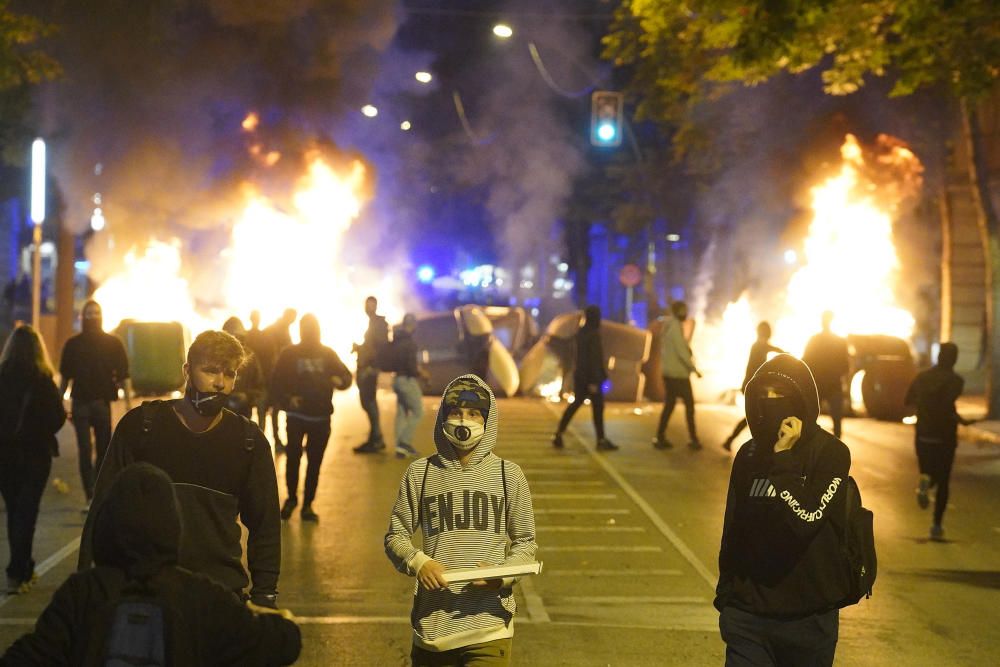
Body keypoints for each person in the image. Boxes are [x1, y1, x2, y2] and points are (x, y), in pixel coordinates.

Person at [2, 463, 301, 666]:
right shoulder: (200, 595)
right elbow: (283, 643)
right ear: (171, 526)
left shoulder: (83, 593)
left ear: (108, 524)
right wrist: (277, 616)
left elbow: (29, 657)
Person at [79, 330, 282, 609]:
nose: (220, 383)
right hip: (146, 598)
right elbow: (102, 510)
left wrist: (265, 597)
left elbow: (265, 527)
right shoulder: (142, 428)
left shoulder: (248, 442)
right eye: (210, 371)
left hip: (218, 598)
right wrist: (89, 588)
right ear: (187, 370)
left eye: (230, 373)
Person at [385, 374, 537, 665]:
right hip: (433, 628)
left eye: (473, 414)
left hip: (489, 629)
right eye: (455, 412)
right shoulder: (421, 473)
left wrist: (502, 575)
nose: (464, 421)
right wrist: (419, 562)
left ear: (487, 421)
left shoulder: (509, 475)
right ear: (443, 416)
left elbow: (526, 544)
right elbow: (395, 536)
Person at [715, 354, 851, 666]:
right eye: (763, 395)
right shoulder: (749, 454)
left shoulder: (830, 454)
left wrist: (784, 461)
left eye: (780, 394)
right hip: (750, 618)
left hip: (809, 621)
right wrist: (728, 598)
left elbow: (806, 519)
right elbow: (733, 528)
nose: (771, 402)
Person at [0, 325, 66, 594]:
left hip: (4, 454)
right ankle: (19, 570)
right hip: (35, 454)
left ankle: (21, 567)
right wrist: (39, 431)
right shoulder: (43, 380)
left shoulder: (1, 377)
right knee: (27, 513)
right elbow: (58, 417)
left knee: (14, 510)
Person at [270, 314, 352, 521]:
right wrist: (288, 400)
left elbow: (347, 378)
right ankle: (292, 500)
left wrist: (339, 381)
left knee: (311, 462)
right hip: (298, 417)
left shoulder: (326, 354)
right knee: (295, 460)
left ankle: (305, 504)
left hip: (320, 418)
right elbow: (276, 383)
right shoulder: (289, 354)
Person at [58, 299, 131, 509]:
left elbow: (124, 374)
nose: (92, 317)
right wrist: (59, 404)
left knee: (101, 450)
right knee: (89, 449)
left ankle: (94, 495)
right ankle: (92, 495)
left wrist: (127, 403)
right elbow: (65, 377)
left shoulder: (106, 343)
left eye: (95, 313)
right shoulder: (104, 343)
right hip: (84, 403)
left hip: (96, 403)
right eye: (89, 313)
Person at [903, 342, 973, 541]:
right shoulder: (957, 381)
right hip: (945, 436)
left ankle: (925, 480)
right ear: (955, 359)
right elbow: (947, 407)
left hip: (923, 434)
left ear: (939, 356)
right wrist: (961, 420)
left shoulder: (922, 378)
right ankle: (936, 525)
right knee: (943, 480)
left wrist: (923, 408)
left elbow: (907, 401)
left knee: (927, 470)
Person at [551, 305, 618, 451]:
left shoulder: (581, 333)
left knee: (576, 405)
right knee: (598, 408)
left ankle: (559, 433)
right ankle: (601, 439)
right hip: (591, 378)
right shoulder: (593, 335)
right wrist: (596, 380)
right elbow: (593, 360)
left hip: (580, 376)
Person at [723, 322, 784, 451]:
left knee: (756, 416)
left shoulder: (758, 346)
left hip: (754, 385)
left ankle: (734, 441)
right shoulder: (758, 346)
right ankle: (758, 447)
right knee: (758, 416)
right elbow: (768, 349)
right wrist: (783, 353)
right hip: (754, 386)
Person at [653, 301, 702, 450]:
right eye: (684, 310)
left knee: (669, 406)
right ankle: (693, 439)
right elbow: (681, 351)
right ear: (678, 311)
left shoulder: (669, 325)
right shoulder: (674, 327)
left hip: (670, 373)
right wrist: (694, 369)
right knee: (689, 407)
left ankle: (660, 436)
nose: (686, 313)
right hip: (678, 375)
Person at [387, 313, 429, 459]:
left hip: (397, 379)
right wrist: (422, 374)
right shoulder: (410, 343)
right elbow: (412, 367)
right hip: (406, 380)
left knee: (401, 413)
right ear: (413, 325)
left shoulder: (396, 341)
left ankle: (400, 447)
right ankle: (405, 442)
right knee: (418, 411)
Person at [802, 311, 849, 439]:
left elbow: (805, 362)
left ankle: (809, 450)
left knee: (810, 419)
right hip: (834, 385)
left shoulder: (814, 340)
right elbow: (846, 366)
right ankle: (838, 452)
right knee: (837, 421)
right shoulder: (840, 341)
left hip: (817, 385)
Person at [353, 296, 390, 453]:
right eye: (367, 305)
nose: (368, 308)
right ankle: (375, 437)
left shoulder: (379, 324)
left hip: (368, 369)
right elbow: (372, 346)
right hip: (365, 367)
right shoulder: (373, 323)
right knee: (367, 402)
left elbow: (381, 348)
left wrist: (372, 367)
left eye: (371, 305)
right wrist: (359, 348)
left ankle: (377, 438)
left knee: (369, 402)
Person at [264, 308, 297, 450]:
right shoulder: (278, 329)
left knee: (276, 407)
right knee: (276, 407)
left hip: (278, 373)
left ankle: (277, 440)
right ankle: (276, 440)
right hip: (275, 374)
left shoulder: (279, 328)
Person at [222, 316, 266, 420]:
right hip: (218, 418)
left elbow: (259, 386)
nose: (233, 340)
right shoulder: (214, 356)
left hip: (243, 417)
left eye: (236, 336)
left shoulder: (250, 357)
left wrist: (247, 396)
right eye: (229, 336)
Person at [245, 310, 277, 428]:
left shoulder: (246, 336)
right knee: (261, 414)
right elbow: (271, 361)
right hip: (259, 382)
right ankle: (259, 442)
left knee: (247, 416)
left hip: (250, 384)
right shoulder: (266, 337)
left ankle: (249, 443)